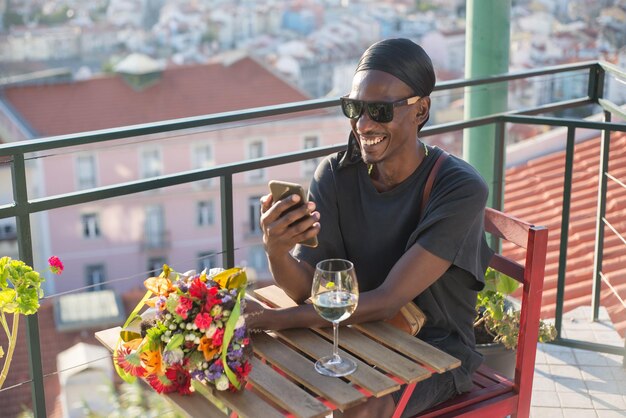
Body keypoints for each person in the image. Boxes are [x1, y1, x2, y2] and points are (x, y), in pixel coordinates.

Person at [247, 38, 494, 418]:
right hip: (355, 333)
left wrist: (268, 321)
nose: (363, 124)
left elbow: (387, 300)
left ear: (421, 109)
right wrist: (276, 250)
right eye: (355, 108)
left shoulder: (459, 188)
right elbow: (304, 290)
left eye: (379, 110)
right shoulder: (334, 174)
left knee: (360, 409)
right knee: (257, 381)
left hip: (436, 348)